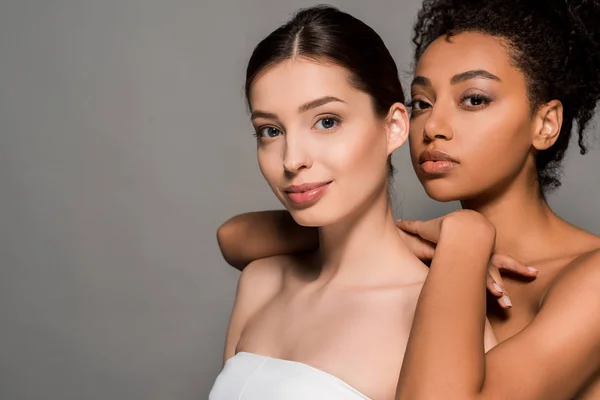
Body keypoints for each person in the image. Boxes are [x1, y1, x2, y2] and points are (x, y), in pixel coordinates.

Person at [217, 0, 600, 398]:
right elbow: (234, 236)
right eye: (422, 103)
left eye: (474, 99)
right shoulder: (430, 260)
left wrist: (466, 237)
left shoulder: (589, 279)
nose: (433, 126)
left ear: (546, 123)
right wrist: (404, 239)